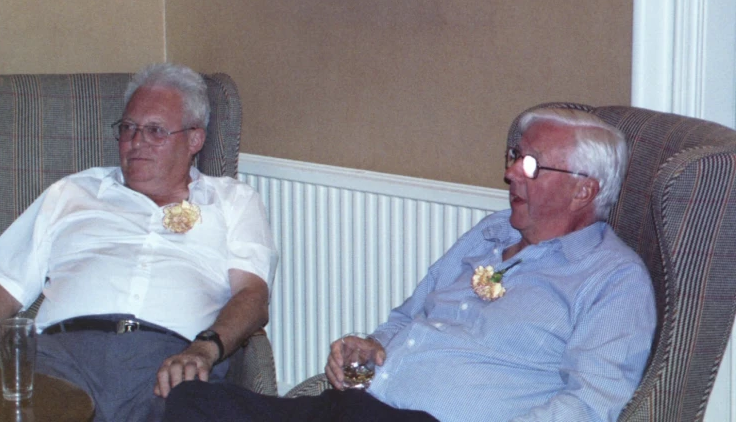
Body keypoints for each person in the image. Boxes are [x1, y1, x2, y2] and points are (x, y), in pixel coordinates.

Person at [164, 107, 656, 422]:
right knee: (192, 403)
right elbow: (406, 318)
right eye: (514, 156)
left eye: (530, 165)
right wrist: (367, 349)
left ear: (583, 189)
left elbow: (591, 404)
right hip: (356, 405)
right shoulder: (490, 232)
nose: (509, 172)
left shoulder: (612, 280)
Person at [0, 63, 278, 422]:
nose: (136, 142)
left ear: (195, 139)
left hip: (170, 365)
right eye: (128, 128)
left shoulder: (233, 201)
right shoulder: (72, 193)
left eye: (155, 131)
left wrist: (205, 349)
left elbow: (252, 297)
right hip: (60, 361)